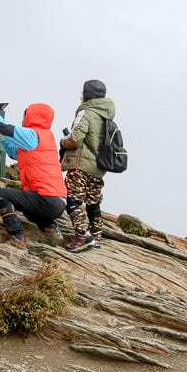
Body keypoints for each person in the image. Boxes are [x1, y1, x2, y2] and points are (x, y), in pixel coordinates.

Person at [0, 102, 68, 250]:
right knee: (26, 206)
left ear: (31, 116)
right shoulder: (44, 137)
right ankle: (50, 229)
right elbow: (13, 152)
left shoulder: (33, 134)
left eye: (25, 116)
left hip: (47, 199)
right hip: (57, 202)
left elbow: (4, 127)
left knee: (1, 195)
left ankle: (17, 237)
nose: (23, 120)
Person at [60, 79, 115, 252]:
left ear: (88, 94)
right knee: (93, 202)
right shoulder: (106, 115)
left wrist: (63, 142)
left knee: (72, 200)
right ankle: (96, 237)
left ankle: (82, 235)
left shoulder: (85, 112)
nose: (80, 96)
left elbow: (75, 139)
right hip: (99, 167)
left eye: (82, 92)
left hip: (80, 163)